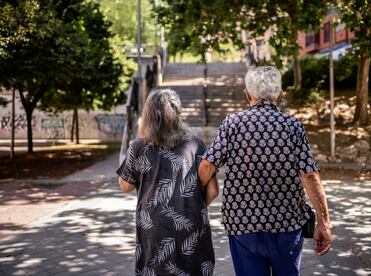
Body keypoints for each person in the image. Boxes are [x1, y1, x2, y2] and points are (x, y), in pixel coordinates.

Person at [198, 66, 332, 276]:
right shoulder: (292, 126)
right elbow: (310, 176)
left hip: (243, 225)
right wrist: (324, 223)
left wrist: (196, 202)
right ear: (280, 95)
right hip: (286, 226)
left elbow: (207, 165)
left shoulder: (232, 124)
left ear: (247, 94)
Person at [117, 89, 219, 276]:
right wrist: (193, 205)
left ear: (147, 115)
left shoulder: (138, 147)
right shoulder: (196, 144)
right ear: (178, 112)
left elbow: (125, 186)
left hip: (153, 226)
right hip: (191, 222)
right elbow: (213, 191)